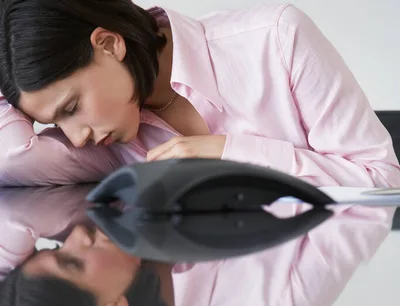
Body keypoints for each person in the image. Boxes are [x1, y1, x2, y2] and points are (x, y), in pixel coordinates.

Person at [0, 184, 396, 306]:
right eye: (72, 262)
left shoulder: (105, 188)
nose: (77, 235)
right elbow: (370, 202)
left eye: (56, 247)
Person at [0, 1, 399, 188]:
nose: (76, 138)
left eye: (72, 107)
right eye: (56, 122)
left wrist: (228, 152)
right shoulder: (107, 140)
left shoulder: (276, 39)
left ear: (108, 44)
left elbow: (383, 181)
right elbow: (10, 159)